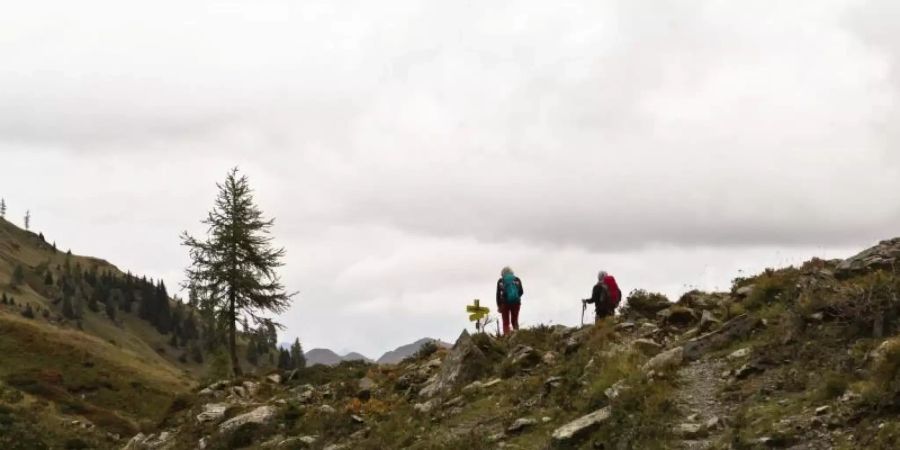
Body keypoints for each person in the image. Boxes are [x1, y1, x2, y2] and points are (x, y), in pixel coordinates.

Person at [496, 266, 524, 336]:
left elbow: (498, 295)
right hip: (516, 303)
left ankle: (507, 338)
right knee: (515, 321)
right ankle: (516, 336)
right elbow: (521, 291)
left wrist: (499, 306)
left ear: (502, 274)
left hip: (504, 303)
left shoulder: (501, 281)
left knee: (506, 322)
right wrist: (516, 297)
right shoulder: (517, 279)